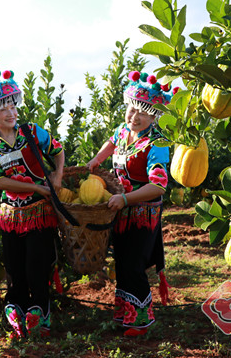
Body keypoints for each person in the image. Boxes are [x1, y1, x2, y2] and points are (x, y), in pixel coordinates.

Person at [0, 69, 65, 339]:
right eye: (2, 109)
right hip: (11, 217)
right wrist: (35, 186)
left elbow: (58, 151)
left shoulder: (32, 132)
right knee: (15, 270)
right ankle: (19, 320)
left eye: (12, 106)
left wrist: (57, 176)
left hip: (39, 214)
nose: (10, 113)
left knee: (38, 265)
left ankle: (40, 320)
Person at [87, 70, 174, 337]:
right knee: (122, 262)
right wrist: (96, 161)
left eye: (142, 114)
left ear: (154, 116)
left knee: (134, 264)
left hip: (142, 212)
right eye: (132, 110)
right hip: (120, 210)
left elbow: (158, 185)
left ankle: (141, 321)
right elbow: (112, 142)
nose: (134, 118)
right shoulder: (125, 130)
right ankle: (125, 314)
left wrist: (125, 198)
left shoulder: (157, 142)